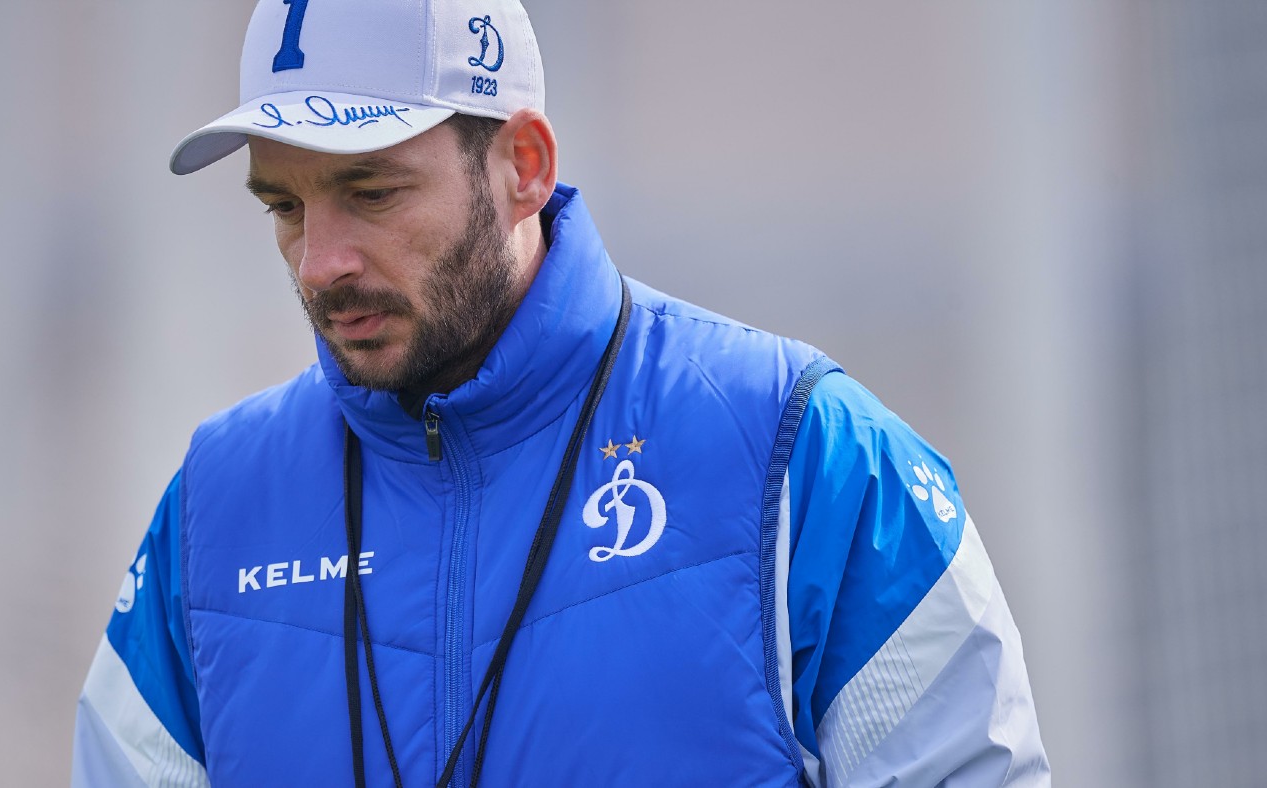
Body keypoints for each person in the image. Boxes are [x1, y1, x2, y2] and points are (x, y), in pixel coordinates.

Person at [73, 1, 1049, 785]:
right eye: (284, 205)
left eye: (371, 193)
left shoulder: (803, 451)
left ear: (524, 167)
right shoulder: (214, 506)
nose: (319, 263)